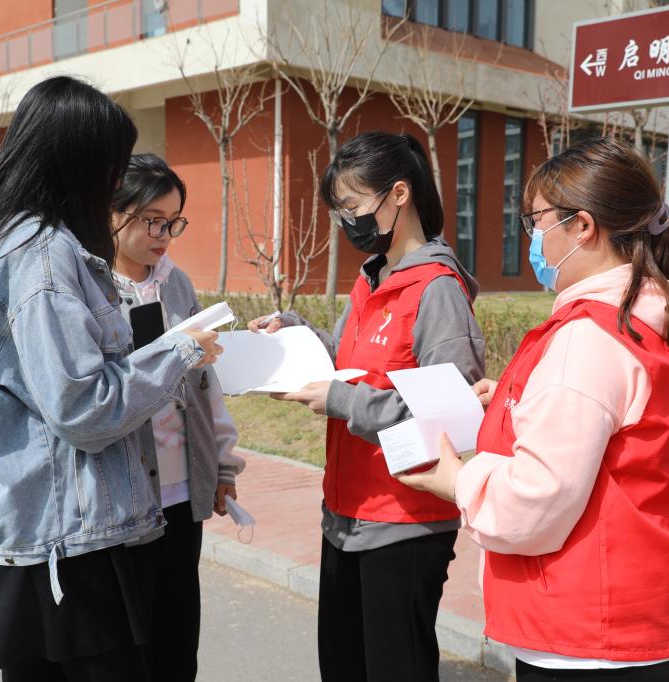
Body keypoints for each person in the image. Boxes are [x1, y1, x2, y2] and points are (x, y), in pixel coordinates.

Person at [399, 137, 669, 681]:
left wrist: (457, 480)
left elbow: (535, 502)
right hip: (662, 609)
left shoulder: (588, 339)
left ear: (583, 227)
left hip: (593, 629)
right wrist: (527, 399)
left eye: (537, 221)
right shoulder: (657, 318)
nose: (533, 239)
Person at [0, 76, 222, 681]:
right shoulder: (43, 258)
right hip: (66, 539)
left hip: (54, 529)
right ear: (79, 162)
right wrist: (178, 352)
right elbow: (85, 408)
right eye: (112, 164)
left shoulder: (28, 244)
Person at [248, 131, 485, 682]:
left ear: (399, 194)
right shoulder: (372, 278)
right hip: (346, 512)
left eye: (352, 208)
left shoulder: (437, 289)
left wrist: (341, 400)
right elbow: (349, 360)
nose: (347, 223)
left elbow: (453, 415)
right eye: (340, 213)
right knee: (343, 666)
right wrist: (295, 334)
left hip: (404, 521)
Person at [110, 152, 245, 682]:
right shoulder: (93, 292)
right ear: (113, 213)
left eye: (172, 222)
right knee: (128, 651)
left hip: (182, 496)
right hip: (124, 499)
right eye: (151, 220)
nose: (163, 235)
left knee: (177, 646)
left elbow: (206, 386)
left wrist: (222, 466)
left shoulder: (176, 284)